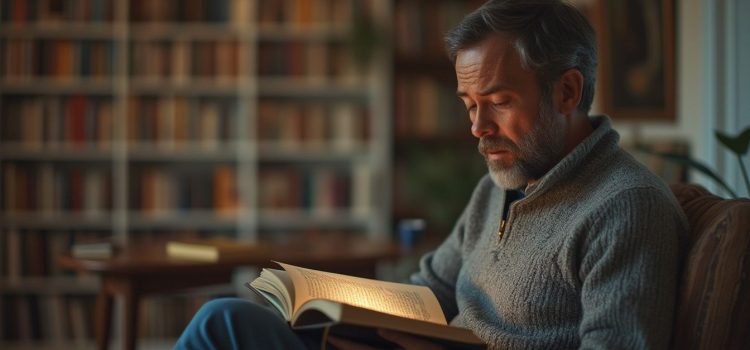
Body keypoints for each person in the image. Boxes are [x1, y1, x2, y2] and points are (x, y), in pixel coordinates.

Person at [175, 0, 687, 349]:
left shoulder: (626, 207)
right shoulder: (498, 186)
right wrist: (332, 300)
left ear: (568, 92)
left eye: (499, 102)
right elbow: (432, 293)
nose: (478, 128)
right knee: (224, 319)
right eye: (469, 105)